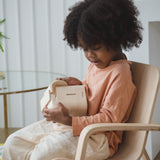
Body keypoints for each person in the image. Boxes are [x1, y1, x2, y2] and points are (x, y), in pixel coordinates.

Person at [2, 0, 143, 159]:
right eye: (84, 48)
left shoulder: (120, 73)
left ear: (115, 39)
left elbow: (109, 118)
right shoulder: (98, 64)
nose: (90, 55)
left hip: (98, 138)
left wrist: (70, 120)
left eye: (96, 48)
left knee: (41, 155)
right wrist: (80, 85)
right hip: (75, 127)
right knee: (14, 143)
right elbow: (93, 96)